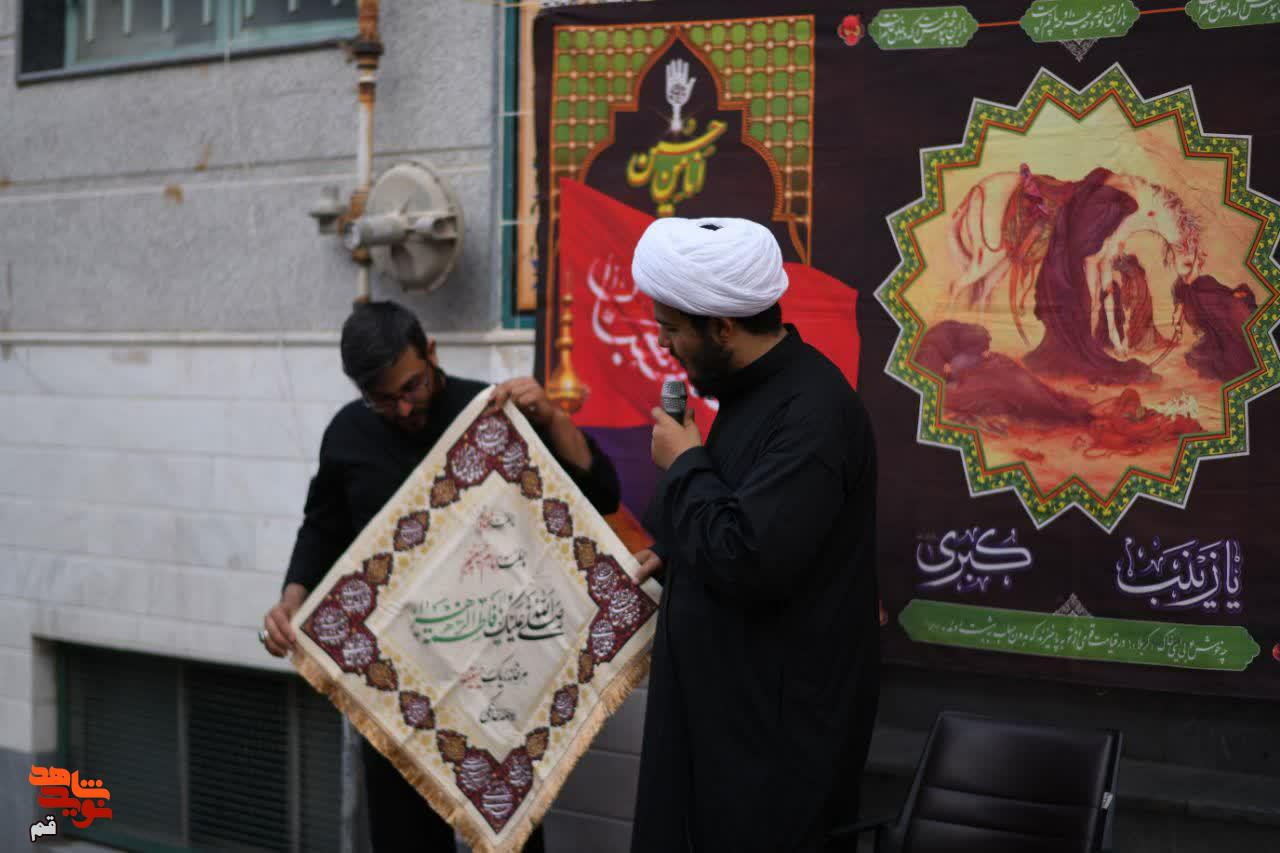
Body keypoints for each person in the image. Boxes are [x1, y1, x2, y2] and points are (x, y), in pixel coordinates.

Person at [259, 300, 622, 852]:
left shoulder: (489, 414)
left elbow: (603, 494)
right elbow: (322, 529)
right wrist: (291, 601)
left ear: (430, 352)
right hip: (400, 688)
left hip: (498, 681)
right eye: (384, 399)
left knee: (510, 839)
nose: (404, 407)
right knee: (404, 837)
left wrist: (551, 417)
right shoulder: (350, 433)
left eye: (413, 386)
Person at [626, 217, 880, 852]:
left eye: (672, 330)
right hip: (722, 724)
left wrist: (685, 463)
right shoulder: (754, 396)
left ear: (721, 327)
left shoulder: (813, 412)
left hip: (770, 749)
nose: (664, 346)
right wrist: (669, 554)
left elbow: (751, 558)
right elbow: (748, 513)